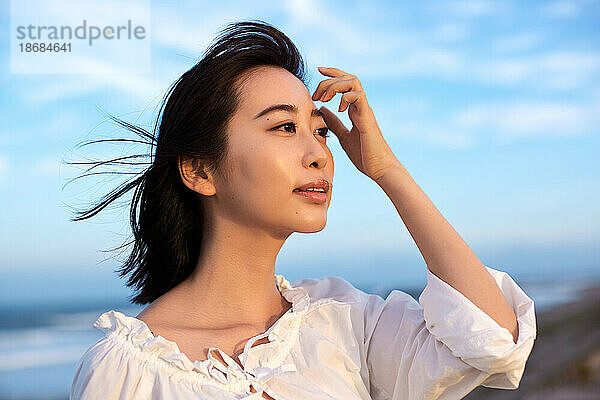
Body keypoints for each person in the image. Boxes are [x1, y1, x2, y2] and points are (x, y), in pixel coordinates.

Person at [68, 19, 536, 400]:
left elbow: (494, 340)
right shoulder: (127, 370)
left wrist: (386, 169)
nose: (318, 154)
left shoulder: (344, 323)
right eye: (284, 127)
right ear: (199, 171)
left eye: (320, 130)